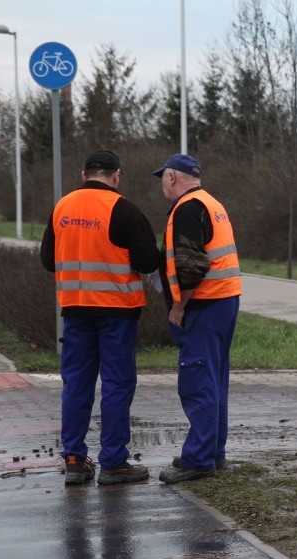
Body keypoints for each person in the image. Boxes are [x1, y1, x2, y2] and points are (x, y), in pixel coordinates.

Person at [40, 149, 159, 486]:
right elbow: (149, 261)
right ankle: (114, 463)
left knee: (76, 384)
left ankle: (75, 460)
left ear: (84, 174)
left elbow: (49, 260)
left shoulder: (61, 208)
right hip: (117, 312)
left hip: (75, 310)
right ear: (116, 176)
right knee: (117, 385)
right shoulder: (125, 210)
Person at [152, 153, 242, 485]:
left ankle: (199, 459)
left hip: (204, 305)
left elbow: (191, 265)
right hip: (225, 301)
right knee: (214, 380)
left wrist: (178, 306)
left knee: (198, 382)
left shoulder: (187, 209)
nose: (162, 184)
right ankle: (213, 452)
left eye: (163, 178)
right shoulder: (211, 203)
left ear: (173, 178)